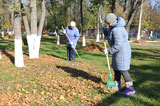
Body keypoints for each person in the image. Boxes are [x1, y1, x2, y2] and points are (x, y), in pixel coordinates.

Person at [103, 13, 135, 95]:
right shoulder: (113, 27)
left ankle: (130, 89)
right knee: (116, 68)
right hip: (117, 52)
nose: (108, 24)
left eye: (108, 23)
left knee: (123, 70)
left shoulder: (117, 30)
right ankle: (117, 85)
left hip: (122, 53)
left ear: (112, 21)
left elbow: (118, 45)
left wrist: (109, 51)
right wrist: (104, 31)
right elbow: (110, 32)